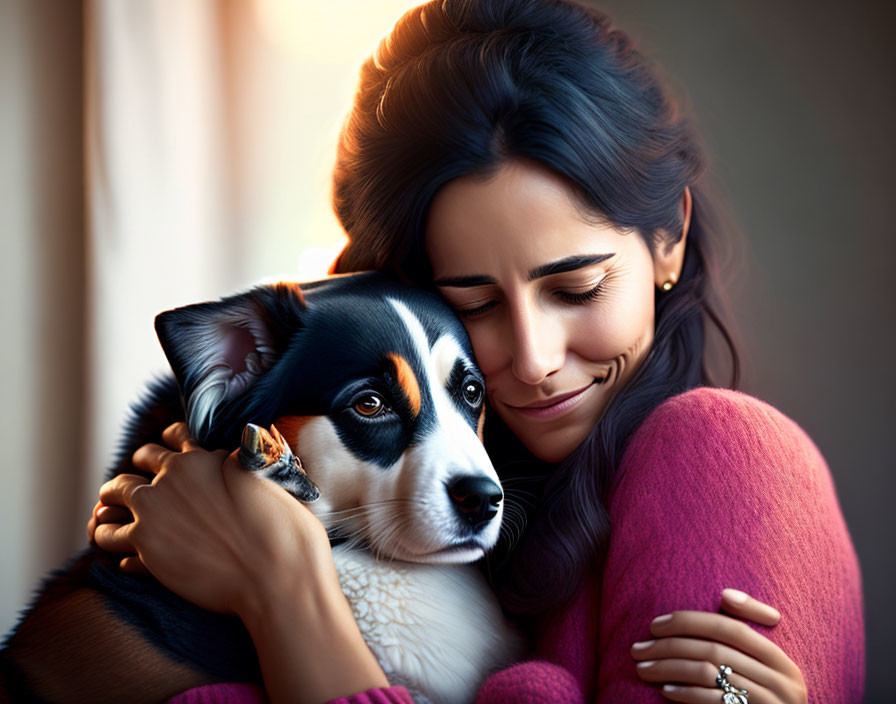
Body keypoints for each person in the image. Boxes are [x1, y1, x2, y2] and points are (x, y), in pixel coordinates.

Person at [89, 0, 864, 702]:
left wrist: (282, 587)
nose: (531, 358)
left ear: (668, 240)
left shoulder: (718, 453)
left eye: (578, 288)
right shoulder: (423, 516)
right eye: (474, 306)